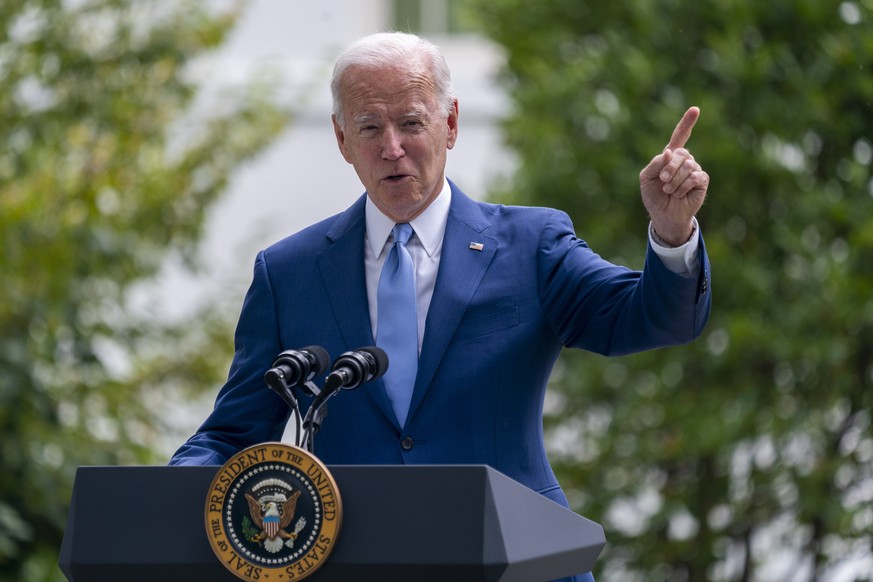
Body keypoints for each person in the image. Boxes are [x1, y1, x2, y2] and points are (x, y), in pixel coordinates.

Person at [171, 32, 711, 582]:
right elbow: (232, 434)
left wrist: (672, 233)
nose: (392, 147)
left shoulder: (532, 245)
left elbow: (651, 317)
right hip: (355, 564)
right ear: (340, 137)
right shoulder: (288, 273)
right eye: (369, 127)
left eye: (410, 123)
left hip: (515, 563)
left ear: (450, 123)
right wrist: (163, 496)